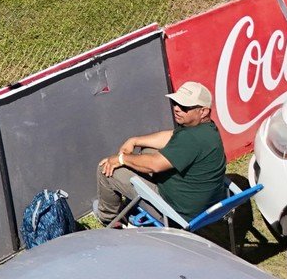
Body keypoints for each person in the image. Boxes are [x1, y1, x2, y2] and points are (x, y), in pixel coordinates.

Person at [94, 80, 227, 226]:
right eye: (175, 103)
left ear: (203, 111)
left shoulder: (191, 138)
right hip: (201, 205)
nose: (177, 108)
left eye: (184, 107)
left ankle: (110, 219)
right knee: (148, 150)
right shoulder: (206, 129)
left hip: (177, 213)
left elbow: (154, 165)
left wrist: (121, 159)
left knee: (105, 169)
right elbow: (171, 136)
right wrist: (135, 140)